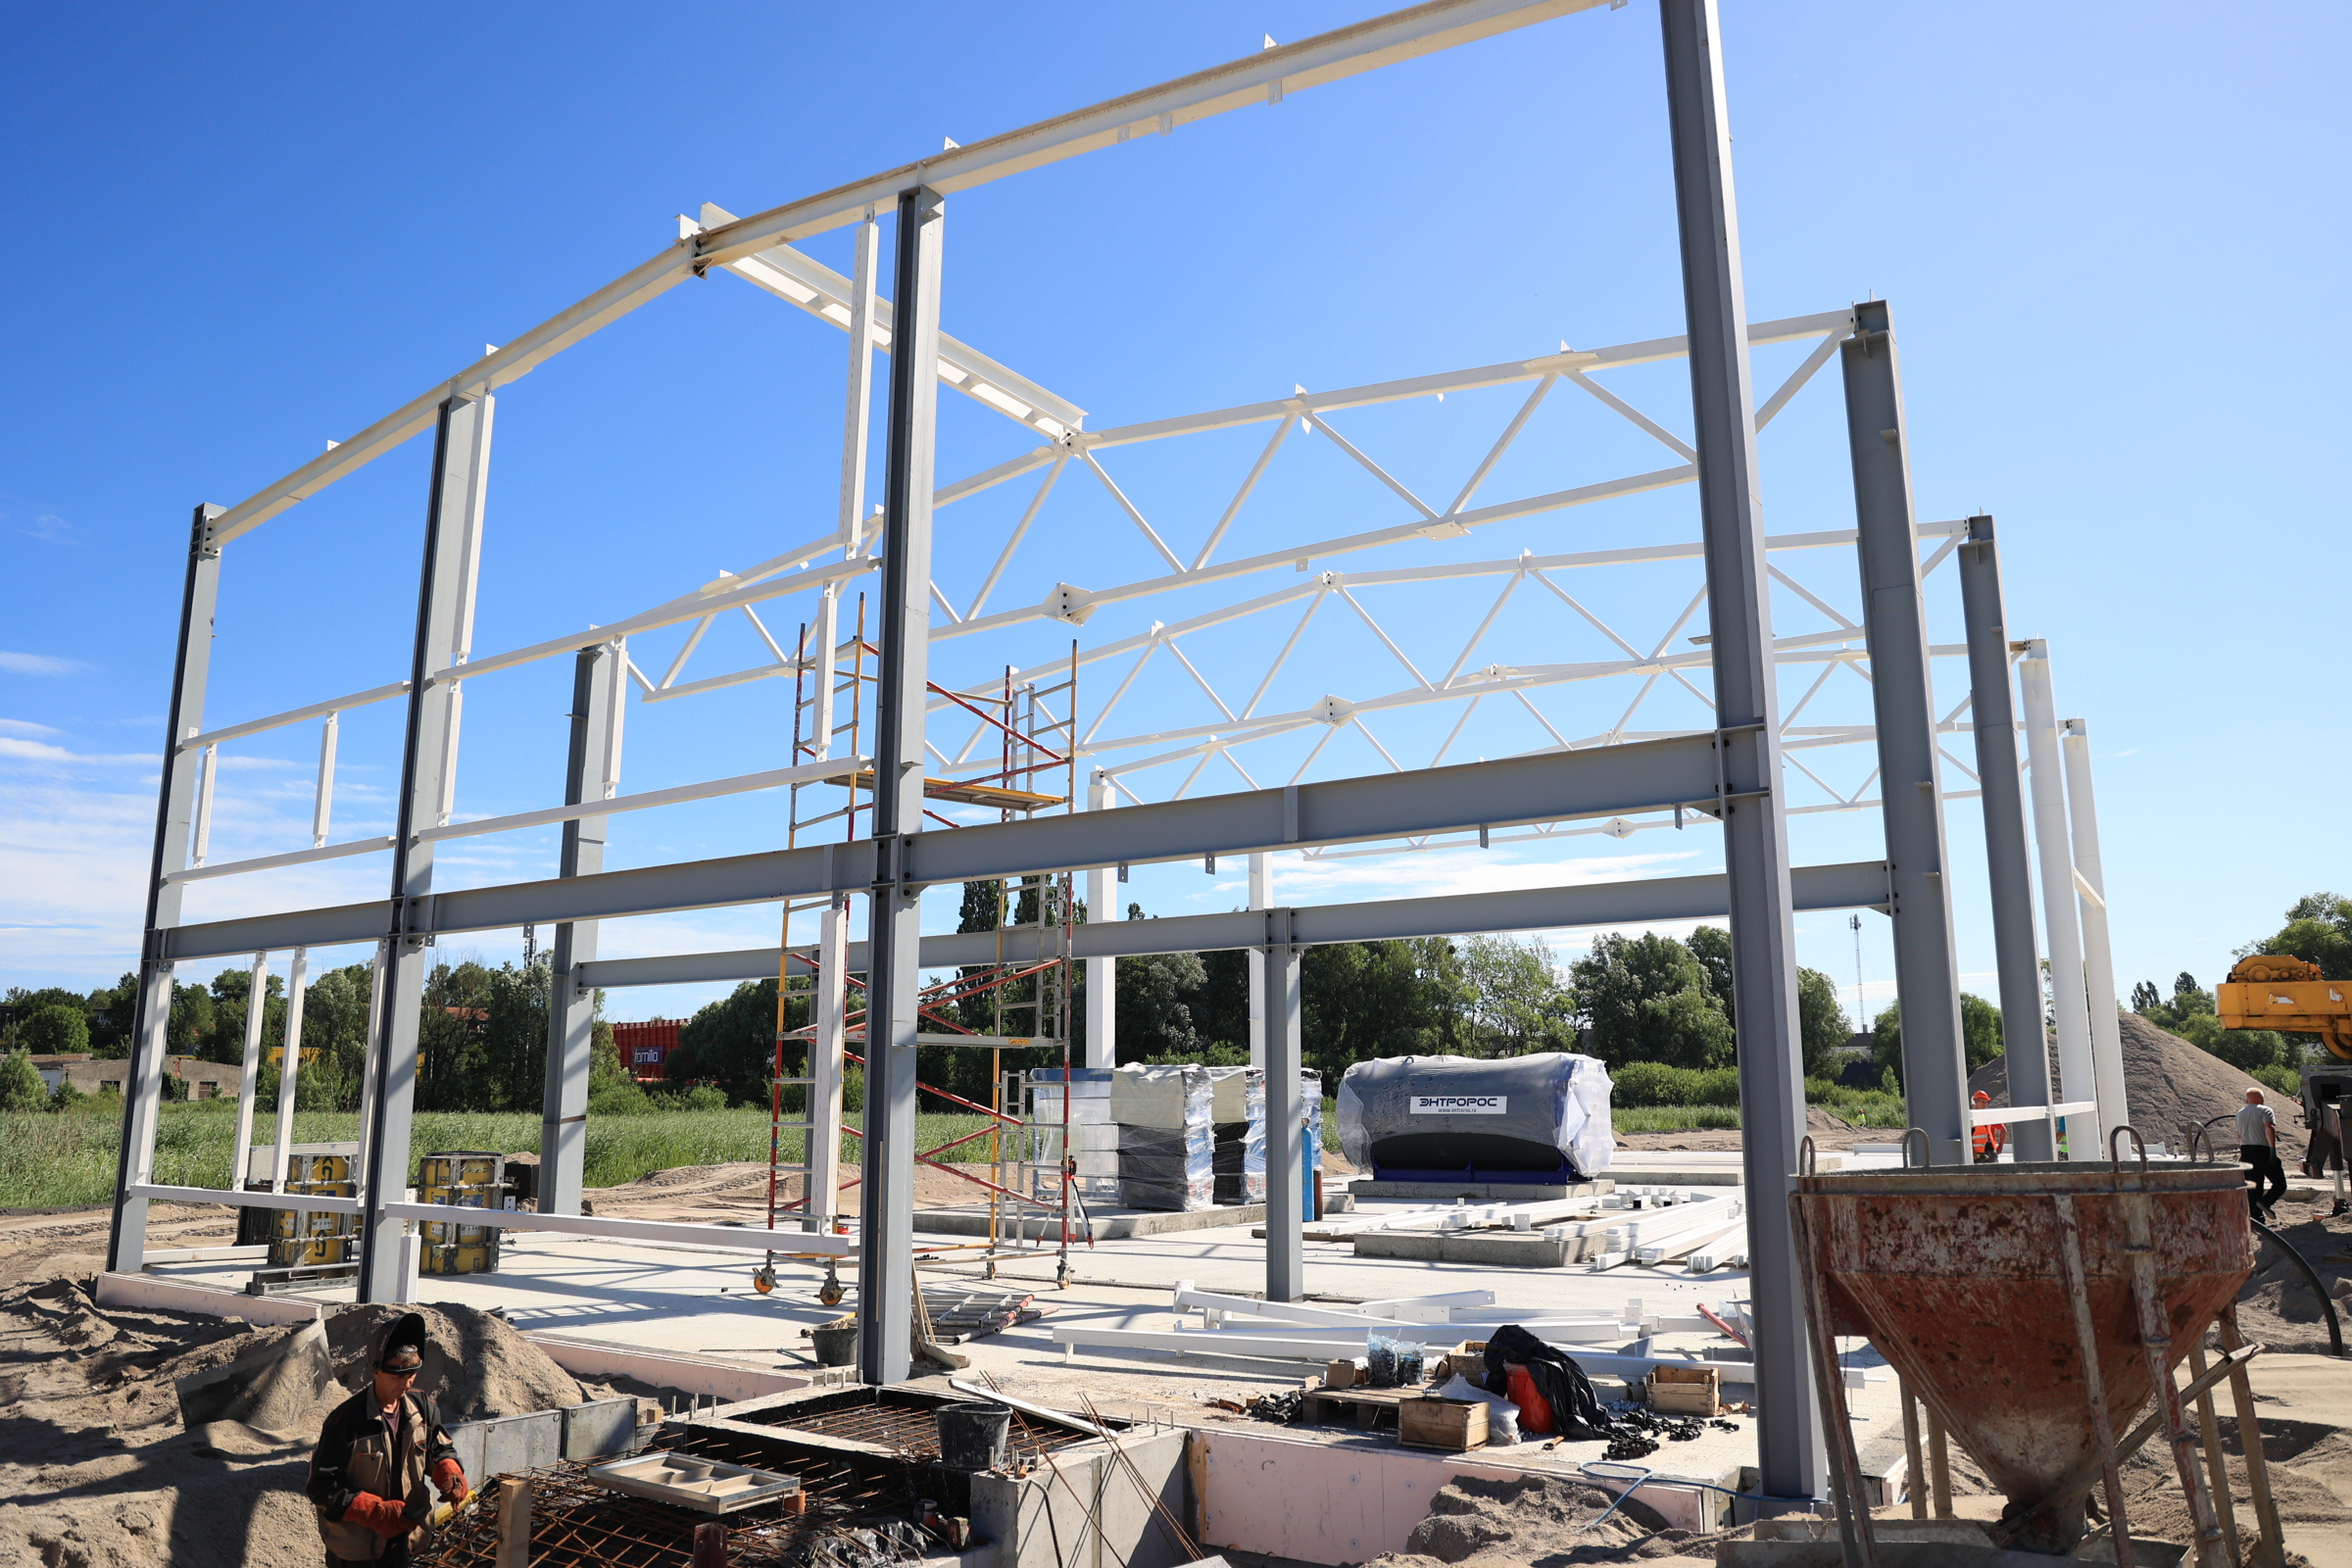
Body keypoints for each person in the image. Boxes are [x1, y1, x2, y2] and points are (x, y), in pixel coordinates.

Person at [307, 1312, 469, 1567]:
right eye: (398, 1377)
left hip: (404, 1537)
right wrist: (376, 1512)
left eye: (412, 1375)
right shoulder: (346, 1421)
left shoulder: (423, 1409)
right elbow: (322, 1487)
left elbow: (439, 1450)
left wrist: (449, 1470)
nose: (406, 1384)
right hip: (357, 1551)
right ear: (377, 1371)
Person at [2237, 1088, 2287, 1224]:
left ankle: (2257, 1219)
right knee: (2280, 1183)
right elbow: (2269, 1128)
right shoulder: (2265, 1110)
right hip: (2262, 1150)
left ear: (2247, 1099)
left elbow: (2239, 1135)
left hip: (2246, 1150)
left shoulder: (2240, 1113)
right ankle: (2266, 1202)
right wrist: (2272, 1150)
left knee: (2254, 1185)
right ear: (2261, 1098)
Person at [1971, 1090, 2007, 1162]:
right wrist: (1972, 1151)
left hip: (1991, 1151)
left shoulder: (1989, 1116)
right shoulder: (1971, 1117)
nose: (1985, 1104)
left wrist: (2000, 1146)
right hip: (1978, 1153)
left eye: (1986, 1102)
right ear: (1976, 1101)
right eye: (1982, 1101)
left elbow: (2003, 1130)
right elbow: (1967, 1136)